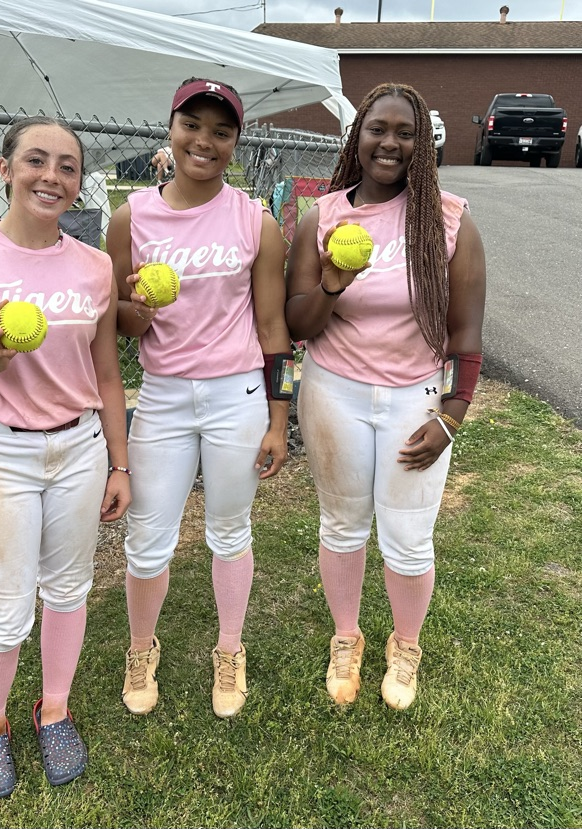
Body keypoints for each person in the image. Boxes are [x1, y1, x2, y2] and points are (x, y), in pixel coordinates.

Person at [0, 115, 131, 798]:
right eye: (36, 160)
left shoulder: (94, 265)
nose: (52, 176)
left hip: (79, 447)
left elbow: (108, 375)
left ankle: (55, 708)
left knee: (69, 591)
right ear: (5, 168)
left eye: (68, 166)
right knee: (6, 610)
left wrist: (120, 462)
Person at [285, 83, 486, 711]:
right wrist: (333, 285)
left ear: (422, 145)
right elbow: (297, 322)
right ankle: (347, 637)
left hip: (413, 399)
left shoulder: (451, 218)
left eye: (406, 132)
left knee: (407, 536)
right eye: (378, 129)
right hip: (333, 392)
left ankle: (405, 644)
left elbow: (466, 333)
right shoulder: (324, 217)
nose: (390, 143)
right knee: (342, 526)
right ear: (357, 136)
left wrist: (452, 413)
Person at [107, 78, 292, 719]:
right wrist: (141, 307)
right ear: (171, 128)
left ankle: (230, 649)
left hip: (238, 395)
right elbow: (123, 326)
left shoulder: (255, 221)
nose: (204, 141)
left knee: (229, 531)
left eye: (221, 130)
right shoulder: (132, 217)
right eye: (193, 125)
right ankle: (140, 647)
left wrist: (280, 415)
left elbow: (275, 332)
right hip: (162, 397)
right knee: (147, 537)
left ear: (236, 142)